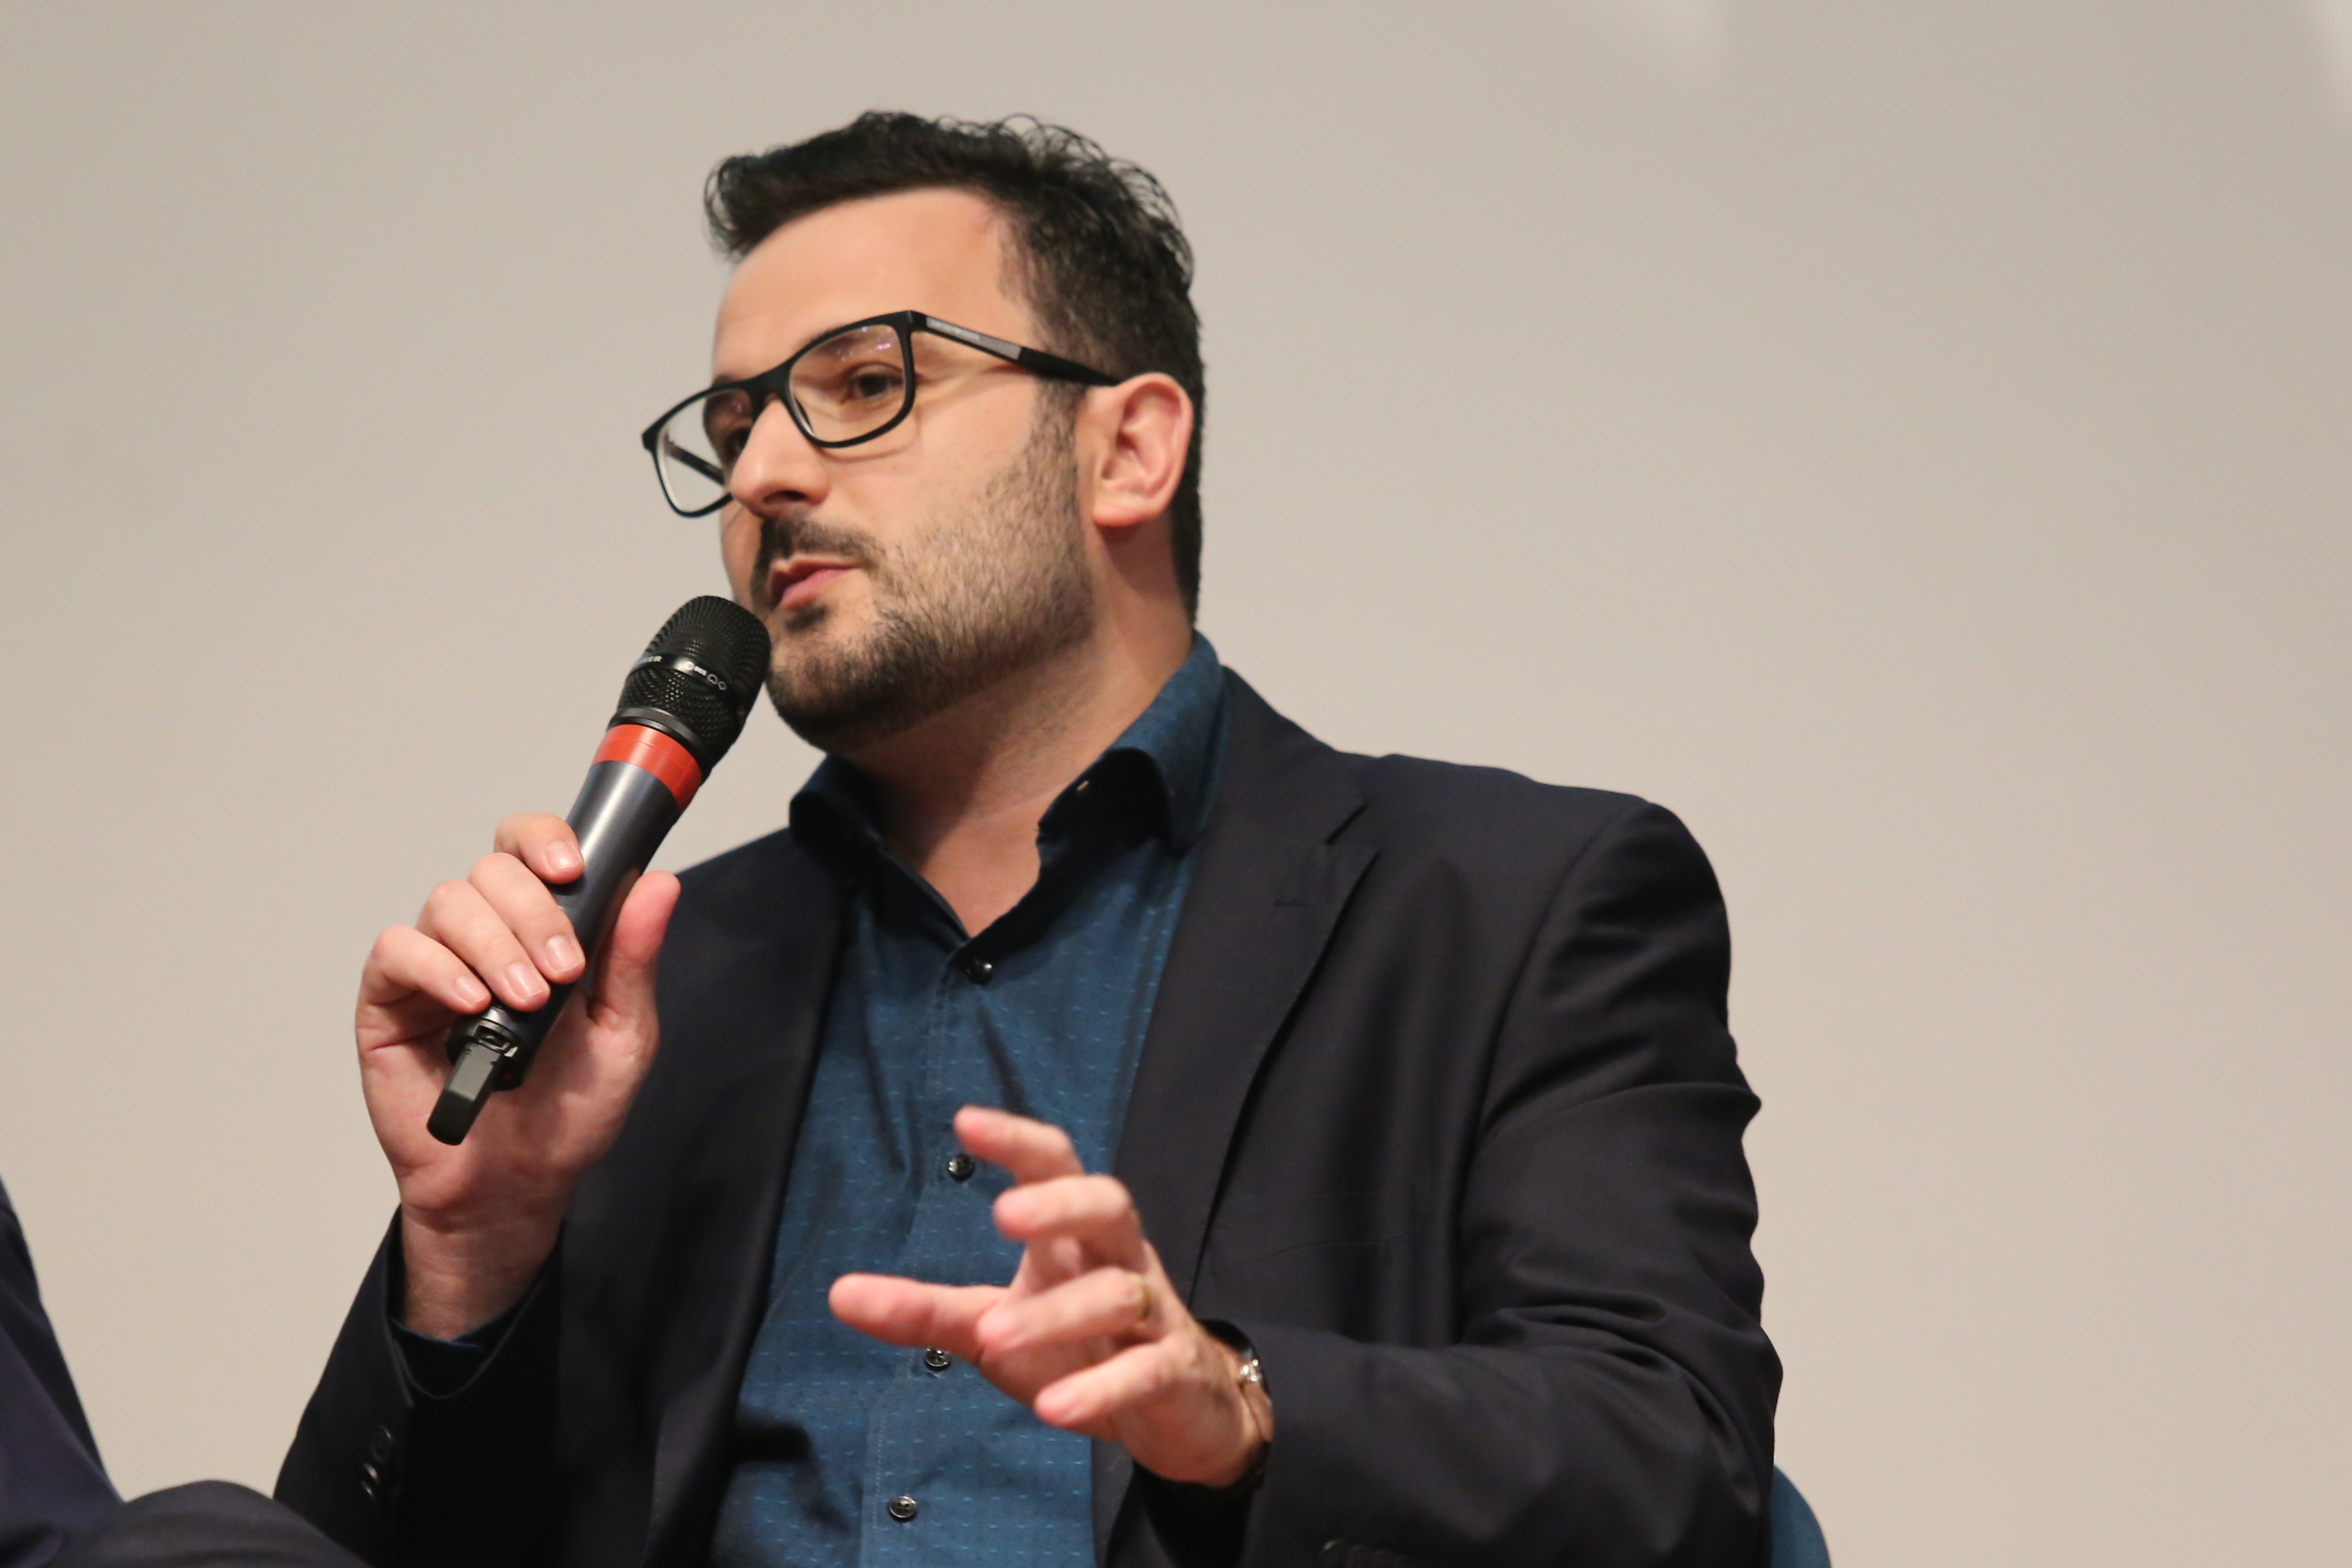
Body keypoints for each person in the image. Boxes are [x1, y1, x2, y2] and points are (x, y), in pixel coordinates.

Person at [275, 114, 1778, 1567]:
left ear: (1129, 449)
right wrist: (476, 1243)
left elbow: (1674, 1463)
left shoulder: (1508, 904)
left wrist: (1241, 1404)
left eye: (866, 383)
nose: (763, 477)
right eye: (733, 428)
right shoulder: (653, 985)